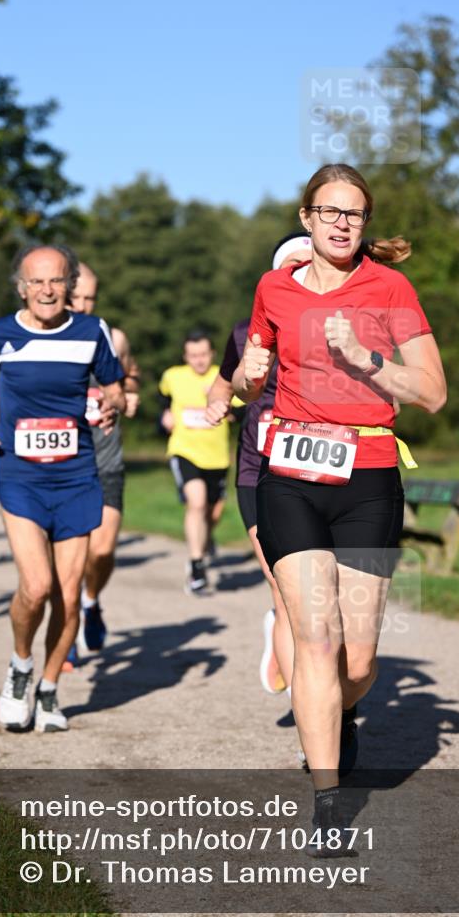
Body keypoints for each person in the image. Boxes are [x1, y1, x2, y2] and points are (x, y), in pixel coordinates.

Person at [232, 163, 446, 851]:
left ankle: (328, 712)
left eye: (352, 214)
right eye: (328, 211)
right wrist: (245, 376)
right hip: (289, 475)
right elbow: (245, 379)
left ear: (364, 223)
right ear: (305, 217)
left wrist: (364, 361)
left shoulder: (389, 288)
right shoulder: (273, 287)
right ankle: (327, 802)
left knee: (355, 663)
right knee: (316, 643)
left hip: (368, 476)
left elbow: (432, 393)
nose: (340, 223)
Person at [0, 244, 126, 733]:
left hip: (76, 475)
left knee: (69, 597)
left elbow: (114, 384)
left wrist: (113, 403)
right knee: (36, 587)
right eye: (37, 282)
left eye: (56, 280)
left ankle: (50, 688)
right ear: (22, 287)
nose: (47, 290)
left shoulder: (91, 331)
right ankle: (20, 667)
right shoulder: (0, 332)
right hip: (21, 475)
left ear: (70, 285)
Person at [206, 233, 312, 699]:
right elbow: (221, 383)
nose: (299, 272)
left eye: (308, 264)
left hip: (319, 473)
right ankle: (310, 712)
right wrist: (216, 404)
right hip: (258, 472)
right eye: (290, 265)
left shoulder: (335, 327)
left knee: (320, 596)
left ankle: (323, 687)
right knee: (284, 585)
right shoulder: (243, 330)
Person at [65, 261, 140, 661]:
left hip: (106, 458)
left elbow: (130, 378)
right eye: (76, 297)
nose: (84, 305)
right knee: (68, 555)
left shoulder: (114, 337)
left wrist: (125, 398)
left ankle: (91, 600)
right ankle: (68, 624)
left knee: (102, 550)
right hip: (62, 462)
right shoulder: (45, 341)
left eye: (91, 298)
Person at [159, 331, 230, 596]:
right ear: (185, 356)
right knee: (196, 502)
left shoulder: (222, 377)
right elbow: (162, 399)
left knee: (213, 514)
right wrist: (163, 417)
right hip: (184, 450)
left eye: (203, 355)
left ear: (211, 354)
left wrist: (224, 406)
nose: (198, 361)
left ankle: (205, 538)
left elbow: (239, 407)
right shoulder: (173, 376)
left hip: (217, 456)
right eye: (193, 356)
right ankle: (197, 568)